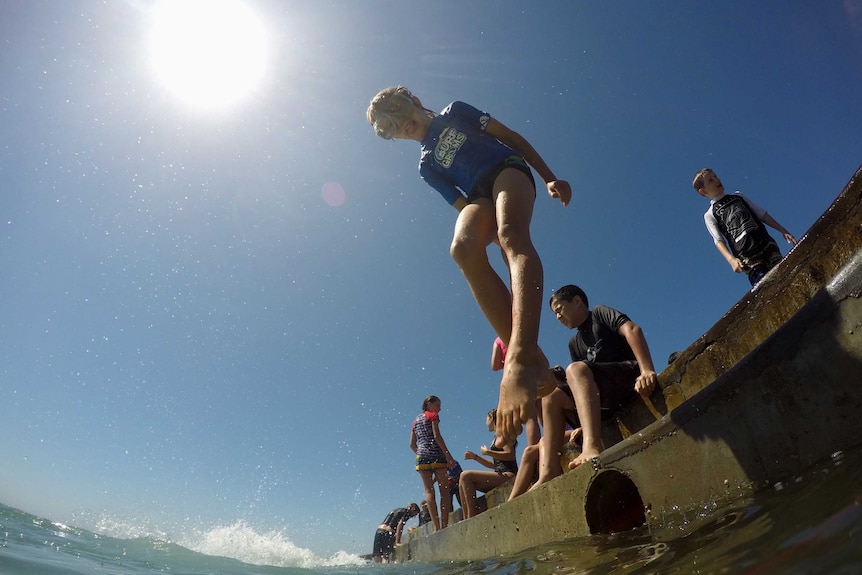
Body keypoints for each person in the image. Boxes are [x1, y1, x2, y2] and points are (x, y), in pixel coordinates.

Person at [367, 87, 572, 442]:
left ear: (414, 100)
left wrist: (549, 176)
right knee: (462, 249)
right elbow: (465, 208)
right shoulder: (426, 166)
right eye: (387, 128)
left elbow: (512, 139)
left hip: (507, 169)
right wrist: (485, 241)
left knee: (512, 235)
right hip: (478, 196)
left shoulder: (455, 112)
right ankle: (533, 361)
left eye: (398, 111)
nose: (400, 125)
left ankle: (519, 359)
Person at [532, 285, 658, 486]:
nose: (557, 317)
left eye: (559, 309)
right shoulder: (574, 342)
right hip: (604, 399)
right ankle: (549, 471)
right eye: (554, 313)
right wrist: (581, 424)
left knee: (574, 369)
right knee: (551, 396)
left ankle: (591, 446)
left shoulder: (599, 313)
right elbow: (579, 387)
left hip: (626, 378)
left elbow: (632, 330)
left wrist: (646, 370)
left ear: (577, 302)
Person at [692, 168, 797, 286]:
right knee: (764, 285)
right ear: (703, 191)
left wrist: (782, 230)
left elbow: (761, 214)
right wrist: (731, 259)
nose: (716, 180)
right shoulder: (710, 214)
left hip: (767, 244)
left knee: (786, 274)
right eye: (711, 180)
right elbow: (718, 240)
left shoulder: (738, 196)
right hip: (747, 257)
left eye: (715, 176)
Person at [459, 409, 518, 519]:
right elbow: (495, 465)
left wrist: (488, 452)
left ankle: (471, 517)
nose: (486, 423)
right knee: (462, 480)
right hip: (501, 474)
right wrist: (475, 457)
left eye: (487, 419)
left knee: (466, 476)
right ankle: (466, 517)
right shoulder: (496, 436)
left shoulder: (502, 434)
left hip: (509, 476)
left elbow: (511, 455)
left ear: (492, 418)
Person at [410, 395, 455, 530]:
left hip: (421, 457)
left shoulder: (415, 421)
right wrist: (449, 456)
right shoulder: (432, 415)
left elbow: (412, 444)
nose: (439, 409)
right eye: (438, 405)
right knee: (444, 491)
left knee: (429, 491)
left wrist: (422, 452)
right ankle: (444, 524)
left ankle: (436, 527)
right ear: (429, 403)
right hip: (436, 455)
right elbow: (437, 436)